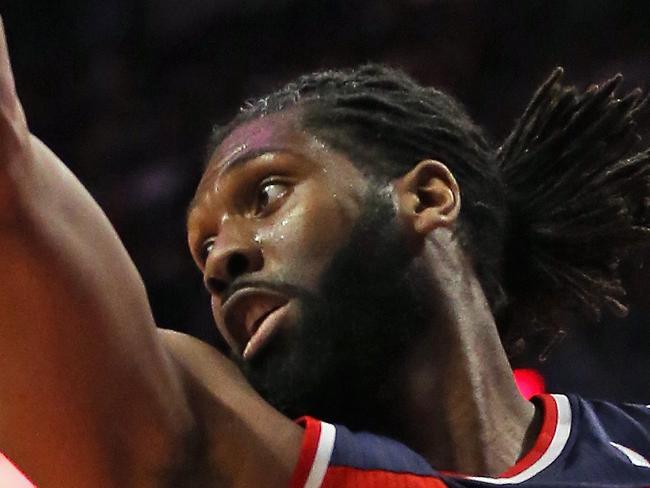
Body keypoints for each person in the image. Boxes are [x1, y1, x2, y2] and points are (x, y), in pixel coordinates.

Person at [1, 16, 649, 487]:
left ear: (426, 197)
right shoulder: (253, 460)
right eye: (203, 253)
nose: (222, 262)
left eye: (267, 194)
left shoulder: (634, 444)